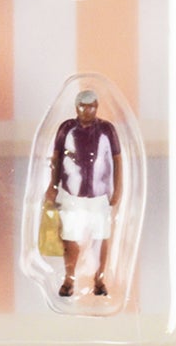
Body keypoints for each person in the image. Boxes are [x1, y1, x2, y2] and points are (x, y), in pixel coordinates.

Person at [44, 86, 122, 298]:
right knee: (70, 236)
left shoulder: (107, 129)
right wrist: (52, 185)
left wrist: (118, 189)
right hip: (72, 194)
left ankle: (99, 280)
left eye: (91, 106)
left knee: (100, 236)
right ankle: (69, 279)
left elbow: (117, 160)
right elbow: (56, 158)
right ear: (76, 107)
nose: (87, 110)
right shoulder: (66, 128)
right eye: (82, 106)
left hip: (99, 195)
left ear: (97, 106)